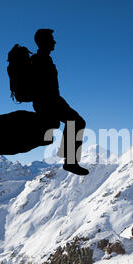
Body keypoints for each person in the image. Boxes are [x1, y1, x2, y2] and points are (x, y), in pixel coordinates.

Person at [31, 28, 89, 176]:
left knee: (77, 122)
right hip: (49, 102)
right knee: (78, 122)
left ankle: (69, 160)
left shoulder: (43, 59)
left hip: (53, 100)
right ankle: (70, 162)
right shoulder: (40, 60)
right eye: (51, 39)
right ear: (43, 42)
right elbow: (43, 86)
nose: (54, 42)